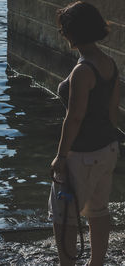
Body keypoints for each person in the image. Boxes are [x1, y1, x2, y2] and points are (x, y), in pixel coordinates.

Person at [48, 1, 120, 266]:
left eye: (64, 29)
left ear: (74, 32)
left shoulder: (82, 70)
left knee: (64, 215)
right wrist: (106, 144)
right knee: (98, 210)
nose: (62, 33)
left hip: (82, 154)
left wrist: (61, 156)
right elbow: (113, 113)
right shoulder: (110, 64)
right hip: (107, 149)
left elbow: (74, 117)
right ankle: (96, 263)